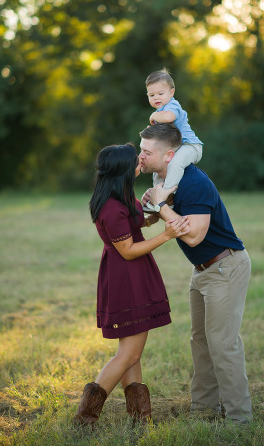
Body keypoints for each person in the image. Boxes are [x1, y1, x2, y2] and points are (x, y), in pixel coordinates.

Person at [139, 123, 252, 424]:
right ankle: (203, 410)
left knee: (223, 343)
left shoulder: (194, 182)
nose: (142, 156)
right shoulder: (169, 183)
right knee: (200, 341)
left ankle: (240, 420)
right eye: (141, 150)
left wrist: (161, 205)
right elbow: (162, 215)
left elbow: (194, 236)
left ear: (169, 155)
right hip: (201, 270)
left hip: (224, 267)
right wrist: (148, 211)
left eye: (147, 152)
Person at [73, 143, 190, 426]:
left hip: (135, 274)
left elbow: (136, 223)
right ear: (122, 170)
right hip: (126, 279)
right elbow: (127, 249)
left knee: (130, 355)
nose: (140, 159)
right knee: (130, 353)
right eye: (135, 158)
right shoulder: (111, 208)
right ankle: (85, 418)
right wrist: (167, 235)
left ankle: (140, 418)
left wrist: (157, 214)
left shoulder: (123, 195)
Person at [145, 69, 203, 191]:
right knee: (158, 166)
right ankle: (157, 192)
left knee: (175, 163)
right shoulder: (160, 111)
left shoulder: (172, 106)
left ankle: (166, 193)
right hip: (176, 148)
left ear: (171, 92)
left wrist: (152, 116)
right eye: (152, 95)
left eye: (160, 94)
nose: (156, 98)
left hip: (190, 146)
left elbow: (169, 117)